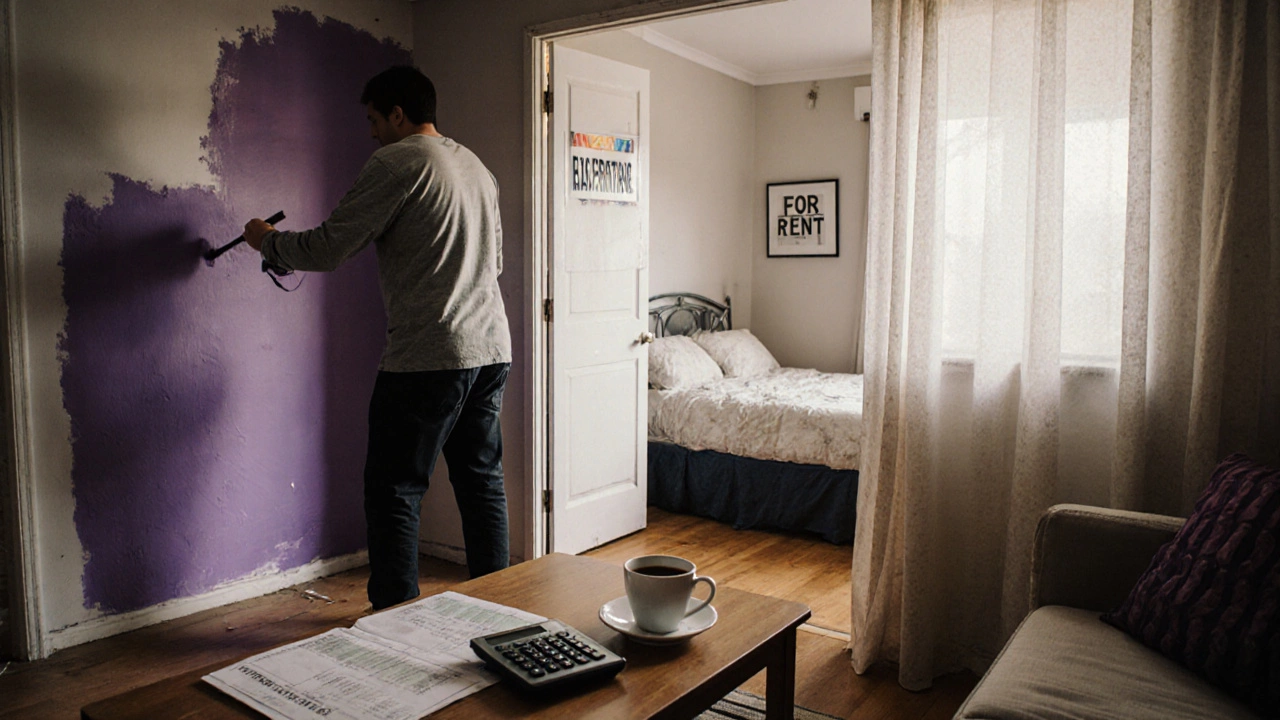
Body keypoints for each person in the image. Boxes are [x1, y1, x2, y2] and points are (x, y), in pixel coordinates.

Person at [244, 65, 512, 610]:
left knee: (395, 488)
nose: (371, 133)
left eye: (373, 120)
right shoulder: (476, 168)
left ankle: (394, 617)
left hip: (428, 356)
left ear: (398, 113)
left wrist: (267, 241)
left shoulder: (398, 161)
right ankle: (500, 606)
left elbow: (328, 247)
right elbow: (496, 263)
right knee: (481, 481)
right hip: (490, 349)